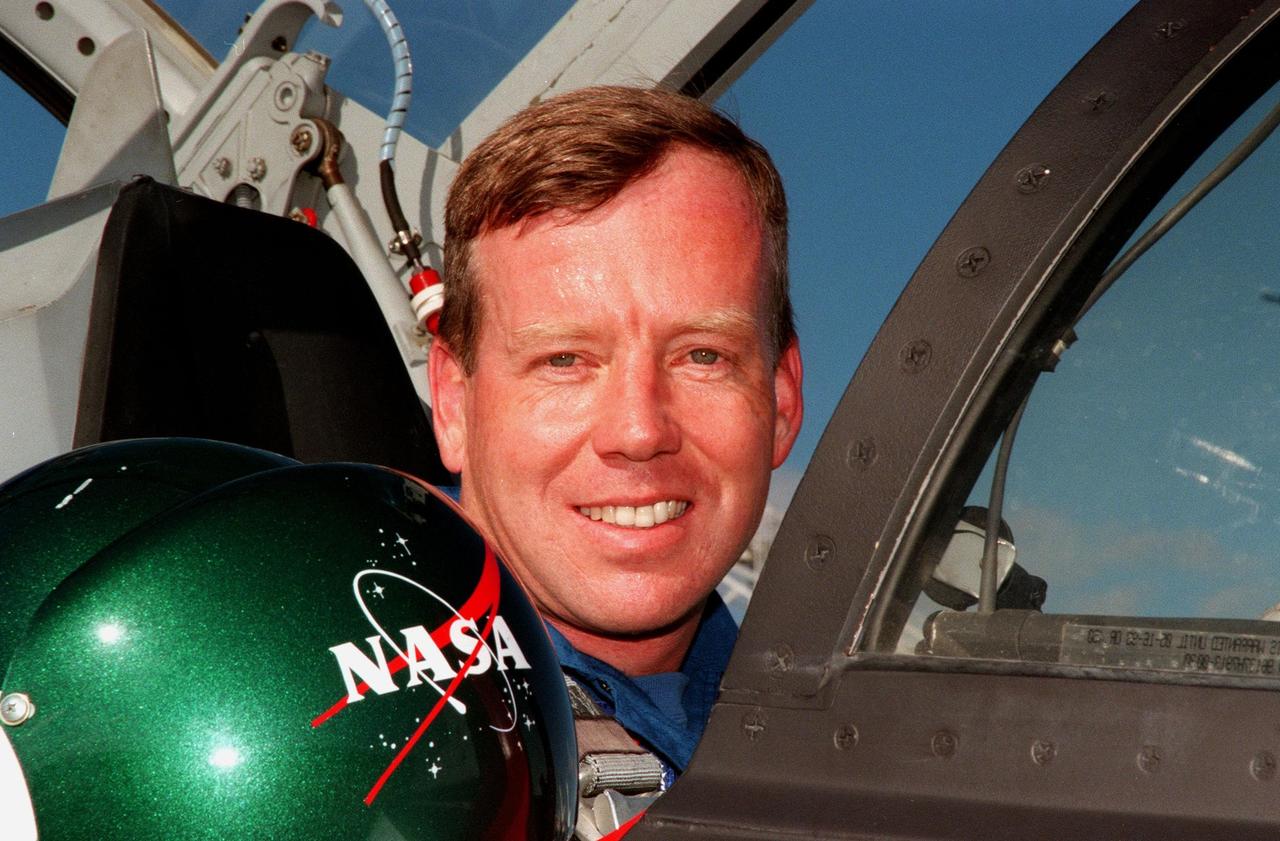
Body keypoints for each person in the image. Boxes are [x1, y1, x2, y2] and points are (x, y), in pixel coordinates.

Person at [428, 85, 803, 782]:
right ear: (454, 403)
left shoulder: (828, 737)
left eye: (702, 356)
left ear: (782, 400)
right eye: (564, 360)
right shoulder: (347, 746)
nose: (637, 430)